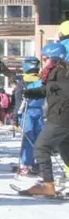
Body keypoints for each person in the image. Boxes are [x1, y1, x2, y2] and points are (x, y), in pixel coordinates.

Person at [20, 43, 69, 196]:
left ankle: (48, 186)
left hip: (61, 116)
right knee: (65, 149)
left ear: (54, 58)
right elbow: (48, 89)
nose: (43, 61)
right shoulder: (56, 72)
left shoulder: (62, 73)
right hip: (62, 116)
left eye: (45, 58)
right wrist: (30, 92)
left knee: (41, 147)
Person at [17, 56, 43, 176]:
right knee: (38, 138)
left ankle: (28, 164)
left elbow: (17, 98)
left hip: (29, 111)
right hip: (37, 111)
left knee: (29, 137)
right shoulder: (42, 79)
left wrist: (15, 115)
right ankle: (38, 163)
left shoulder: (23, 80)